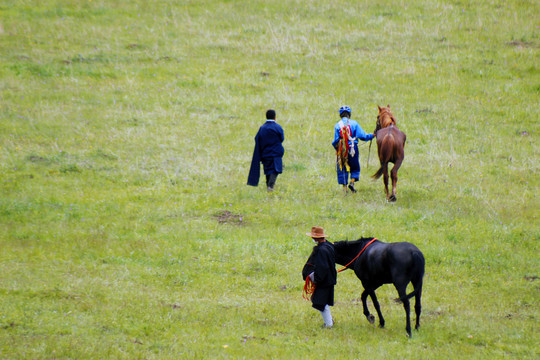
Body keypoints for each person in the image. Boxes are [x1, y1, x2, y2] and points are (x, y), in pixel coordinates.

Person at [332, 105, 375, 193]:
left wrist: (337, 149)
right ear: (349, 114)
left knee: (342, 167)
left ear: (340, 115)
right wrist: (371, 136)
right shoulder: (354, 123)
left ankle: (345, 189)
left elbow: (335, 140)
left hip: (341, 149)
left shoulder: (337, 125)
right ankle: (352, 182)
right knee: (355, 167)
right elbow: (363, 136)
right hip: (352, 149)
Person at [304, 226, 337, 328]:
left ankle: (329, 324)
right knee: (322, 301)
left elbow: (323, 267)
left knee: (320, 302)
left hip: (324, 281)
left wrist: (315, 278)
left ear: (317, 238)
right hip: (329, 279)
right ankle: (329, 321)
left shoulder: (322, 250)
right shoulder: (329, 246)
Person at [247, 109, 285, 191]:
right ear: (275, 117)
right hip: (276, 153)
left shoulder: (262, 128)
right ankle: (270, 186)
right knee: (275, 170)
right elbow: (282, 138)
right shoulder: (278, 127)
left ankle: (269, 186)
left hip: (265, 154)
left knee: (268, 171)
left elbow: (257, 139)